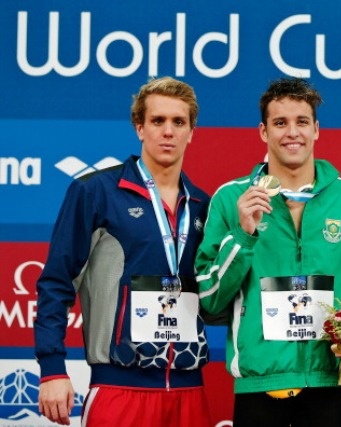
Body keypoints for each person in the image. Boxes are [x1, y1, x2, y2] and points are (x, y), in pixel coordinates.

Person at [34, 77, 213, 427]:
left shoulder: (202, 205)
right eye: (157, 121)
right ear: (139, 128)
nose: (168, 131)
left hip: (189, 392)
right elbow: (56, 282)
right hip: (120, 386)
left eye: (179, 122)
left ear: (191, 132)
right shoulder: (96, 192)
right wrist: (52, 368)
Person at [195, 77, 341, 427]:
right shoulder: (232, 199)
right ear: (263, 132)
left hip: (327, 381)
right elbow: (209, 299)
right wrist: (242, 234)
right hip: (261, 382)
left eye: (302, 122)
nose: (292, 132)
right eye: (280, 123)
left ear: (317, 130)